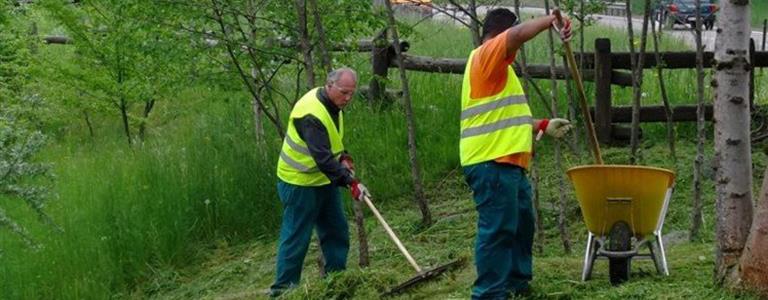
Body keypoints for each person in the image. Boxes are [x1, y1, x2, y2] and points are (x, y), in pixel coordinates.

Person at [460, 8, 573, 299]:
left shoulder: (499, 70)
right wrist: (551, 20)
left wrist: (543, 125)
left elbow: (505, 117)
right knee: (497, 230)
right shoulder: (486, 55)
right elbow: (517, 35)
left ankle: (516, 283)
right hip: (491, 163)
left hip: (509, 163)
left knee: (523, 224)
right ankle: (489, 294)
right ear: (500, 34)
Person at [270, 67, 370, 296]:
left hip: (323, 180)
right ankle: (283, 291)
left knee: (336, 230)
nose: (347, 98)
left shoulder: (334, 105)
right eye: (344, 92)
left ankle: (336, 282)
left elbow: (331, 143)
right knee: (297, 237)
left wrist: (343, 156)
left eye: (351, 94)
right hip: (299, 183)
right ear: (329, 85)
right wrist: (351, 183)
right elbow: (323, 158)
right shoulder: (311, 113)